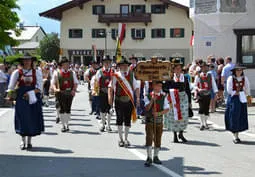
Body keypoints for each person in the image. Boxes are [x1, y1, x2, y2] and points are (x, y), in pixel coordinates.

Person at [7, 53, 44, 150]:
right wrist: (10, 96)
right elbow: (11, 87)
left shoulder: (37, 72)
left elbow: (40, 88)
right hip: (21, 98)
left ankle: (29, 141)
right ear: (22, 61)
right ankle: (22, 141)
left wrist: (30, 93)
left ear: (32, 61)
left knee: (32, 118)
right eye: (25, 60)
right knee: (22, 119)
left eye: (29, 60)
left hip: (33, 98)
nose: (27, 61)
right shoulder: (17, 72)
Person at [108, 57, 139, 147]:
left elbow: (136, 87)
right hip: (119, 100)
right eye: (123, 66)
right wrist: (110, 98)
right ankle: (120, 138)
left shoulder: (131, 75)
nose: (125, 67)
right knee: (119, 119)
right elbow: (111, 87)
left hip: (129, 100)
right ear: (119, 67)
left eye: (126, 65)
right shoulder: (116, 75)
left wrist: (137, 98)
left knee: (127, 120)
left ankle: (126, 138)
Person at [163, 58, 191, 143]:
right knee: (173, 116)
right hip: (173, 99)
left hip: (183, 99)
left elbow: (188, 90)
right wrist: (172, 91)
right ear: (173, 69)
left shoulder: (185, 78)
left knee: (183, 116)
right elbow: (164, 88)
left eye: (179, 68)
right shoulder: (169, 77)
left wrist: (190, 102)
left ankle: (181, 133)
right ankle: (175, 135)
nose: (178, 70)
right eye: (176, 68)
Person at [144, 81, 169, 167]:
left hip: (159, 121)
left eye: (160, 86)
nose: (159, 88)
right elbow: (147, 108)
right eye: (157, 86)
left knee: (158, 138)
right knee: (149, 138)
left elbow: (167, 109)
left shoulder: (163, 97)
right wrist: (152, 100)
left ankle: (156, 156)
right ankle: (149, 157)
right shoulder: (147, 96)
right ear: (154, 86)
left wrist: (158, 113)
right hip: (150, 121)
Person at [225, 64, 251, 144]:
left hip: (242, 98)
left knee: (241, 115)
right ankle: (235, 135)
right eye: (237, 70)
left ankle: (237, 134)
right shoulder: (230, 78)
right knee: (234, 115)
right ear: (234, 71)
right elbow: (229, 90)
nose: (239, 72)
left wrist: (248, 96)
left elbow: (247, 88)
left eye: (240, 70)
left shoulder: (245, 78)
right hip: (233, 99)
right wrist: (235, 93)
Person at [51, 57, 79, 132]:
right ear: (62, 65)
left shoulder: (72, 73)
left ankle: (67, 124)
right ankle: (63, 125)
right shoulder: (57, 73)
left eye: (67, 64)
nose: (67, 65)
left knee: (68, 109)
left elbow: (76, 83)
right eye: (65, 64)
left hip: (69, 93)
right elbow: (53, 83)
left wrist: (74, 90)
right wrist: (55, 89)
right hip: (60, 93)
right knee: (62, 109)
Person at [194, 62, 218, 130]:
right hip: (201, 94)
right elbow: (195, 85)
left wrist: (216, 92)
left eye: (206, 67)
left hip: (208, 93)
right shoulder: (198, 76)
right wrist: (198, 89)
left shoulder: (210, 75)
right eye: (203, 67)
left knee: (206, 109)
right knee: (201, 108)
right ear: (201, 68)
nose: (205, 68)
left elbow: (213, 84)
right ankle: (202, 123)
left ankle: (205, 123)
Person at [95, 55, 113, 132]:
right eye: (105, 62)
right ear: (103, 63)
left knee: (109, 109)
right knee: (102, 109)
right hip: (102, 92)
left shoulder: (113, 71)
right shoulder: (99, 71)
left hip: (111, 93)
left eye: (108, 62)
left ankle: (108, 125)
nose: (107, 64)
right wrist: (96, 92)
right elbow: (96, 82)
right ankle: (103, 124)